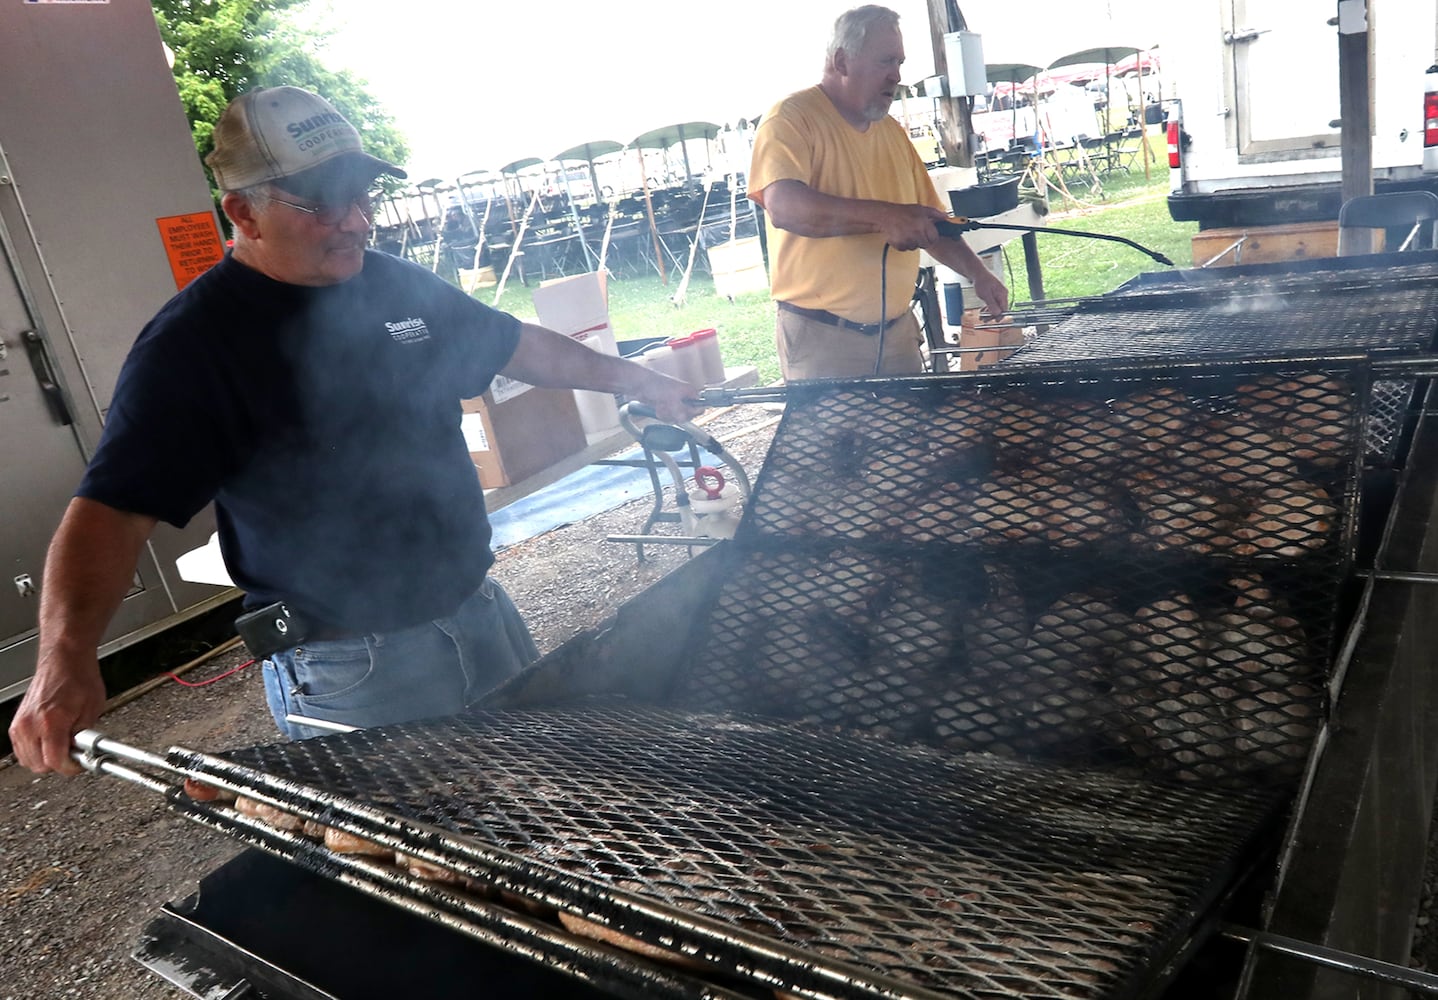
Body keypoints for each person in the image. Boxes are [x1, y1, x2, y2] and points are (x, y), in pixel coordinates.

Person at [10, 86, 698, 775]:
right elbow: (112, 512)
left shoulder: (396, 286)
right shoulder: (195, 345)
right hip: (352, 665)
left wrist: (640, 379)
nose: (356, 222)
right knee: (414, 861)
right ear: (243, 212)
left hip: (479, 612)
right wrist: (64, 659)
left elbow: (515, 344)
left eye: (363, 197)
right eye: (321, 204)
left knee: (542, 807)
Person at [748, 4, 1010, 380]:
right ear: (841, 61)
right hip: (824, 340)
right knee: (835, 442)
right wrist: (887, 216)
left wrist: (978, 274)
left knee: (906, 441)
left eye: (900, 63)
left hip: (897, 334)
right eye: (886, 61)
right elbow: (785, 208)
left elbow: (927, 224)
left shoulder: (892, 133)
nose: (896, 76)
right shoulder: (791, 119)